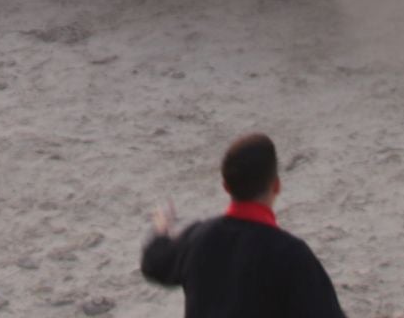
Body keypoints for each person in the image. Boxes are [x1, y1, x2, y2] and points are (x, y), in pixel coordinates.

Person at [140, 132, 346, 318]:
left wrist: (162, 229)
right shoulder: (292, 255)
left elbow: (154, 263)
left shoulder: (197, 238)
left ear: (226, 186)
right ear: (276, 185)